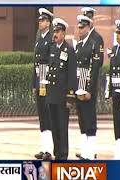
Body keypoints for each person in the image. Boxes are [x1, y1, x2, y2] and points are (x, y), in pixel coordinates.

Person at [46, 17, 77, 160]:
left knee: (62, 127)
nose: (55, 34)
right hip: (52, 95)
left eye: (58, 31)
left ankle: (63, 155)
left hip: (62, 96)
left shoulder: (69, 50)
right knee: (54, 126)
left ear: (63, 33)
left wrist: (70, 96)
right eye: (54, 31)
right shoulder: (52, 48)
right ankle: (57, 152)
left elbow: (71, 75)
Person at [74, 15, 103, 160]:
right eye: (79, 27)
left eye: (82, 27)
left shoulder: (93, 43)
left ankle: (91, 153)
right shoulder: (79, 45)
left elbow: (95, 68)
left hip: (87, 88)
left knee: (90, 120)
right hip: (78, 86)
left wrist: (90, 90)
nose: (80, 30)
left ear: (88, 27)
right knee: (82, 120)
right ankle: (85, 151)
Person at [32, 8, 54, 160]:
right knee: (42, 115)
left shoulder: (52, 38)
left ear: (48, 22)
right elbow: (36, 63)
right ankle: (43, 148)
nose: (40, 23)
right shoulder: (39, 38)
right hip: (40, 80)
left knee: (48, 114)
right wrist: (34, 83)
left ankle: (49, 150)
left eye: (43, 21)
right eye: (39, 21)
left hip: (47, 81)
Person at [105, 20, 120, 160]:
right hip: (116, 91)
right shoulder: (116, 49)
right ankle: (118, 148)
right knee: (117, 121)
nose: (117, 35)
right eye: (116, 33)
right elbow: (112, 72)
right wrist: (110, 91)